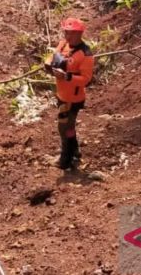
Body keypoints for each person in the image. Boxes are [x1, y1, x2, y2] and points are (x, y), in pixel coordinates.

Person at [45, 17, 94, 170]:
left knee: (63, 127)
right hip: (61, 94)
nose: (68, 36)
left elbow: (86, 79)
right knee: (69, 126)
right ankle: (75, 152)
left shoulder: (85, 54)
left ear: (79, 34)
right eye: (66, 32)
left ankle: (65, 160)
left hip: (73, 98)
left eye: (71, 33)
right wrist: (48, 63)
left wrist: (67, 76)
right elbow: (53, 55)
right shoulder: (63, 44)